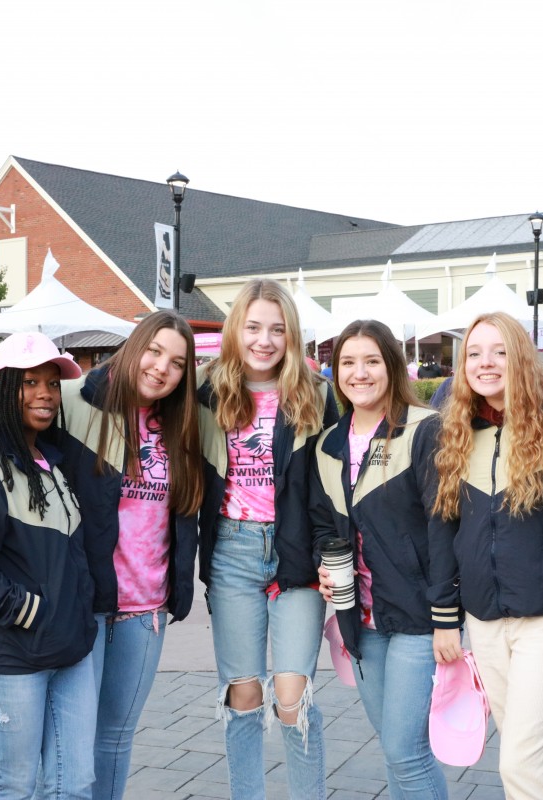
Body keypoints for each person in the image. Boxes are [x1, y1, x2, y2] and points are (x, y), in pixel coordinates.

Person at [429, 312, 543, 800]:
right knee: (531, 759)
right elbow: (442, 528)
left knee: (522, 760)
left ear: (520, 356)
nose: (484, 363)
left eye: (498, 351)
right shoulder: (456, 430)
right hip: (485, 618)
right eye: (473, 354)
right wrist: (444, 615)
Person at [197, 278, 337, 800]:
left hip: (296, 552)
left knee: (291, 695)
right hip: (231, 551)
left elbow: (338, 481)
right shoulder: (205, 391)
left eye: (277, 329)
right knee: (243, 693)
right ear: (236, 329)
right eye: (253, 327)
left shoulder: (316, 393)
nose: (264, 339)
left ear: (291, 335)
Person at [0, 331, 97, 800]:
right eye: (29, 382)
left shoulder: (51, 457)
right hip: (11, 655)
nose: (45, 394)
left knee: (73, 784)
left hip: (68, 650)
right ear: (3, 389)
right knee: (14, 785)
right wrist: (33, 613)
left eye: (52, 383)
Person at [58, 310, 204, 799]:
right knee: (70, 745)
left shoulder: (181, 426)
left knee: (116, 738)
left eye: (178, 362)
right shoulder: (76, 403)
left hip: (146, 610)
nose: (162, 368)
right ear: (133, 347)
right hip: (87, 604)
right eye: (155, 351)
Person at [310, 320, 447, 799]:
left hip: (417, 617)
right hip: (360, 619)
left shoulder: (424, 429)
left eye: (371, 361)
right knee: (396, 750)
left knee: (406, 751)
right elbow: (325, 525)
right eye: (348, 362)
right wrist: (325, 567)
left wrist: (447, 617)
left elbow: (445, 527)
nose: (359, 373)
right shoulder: (328, 443)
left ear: (391, 365)